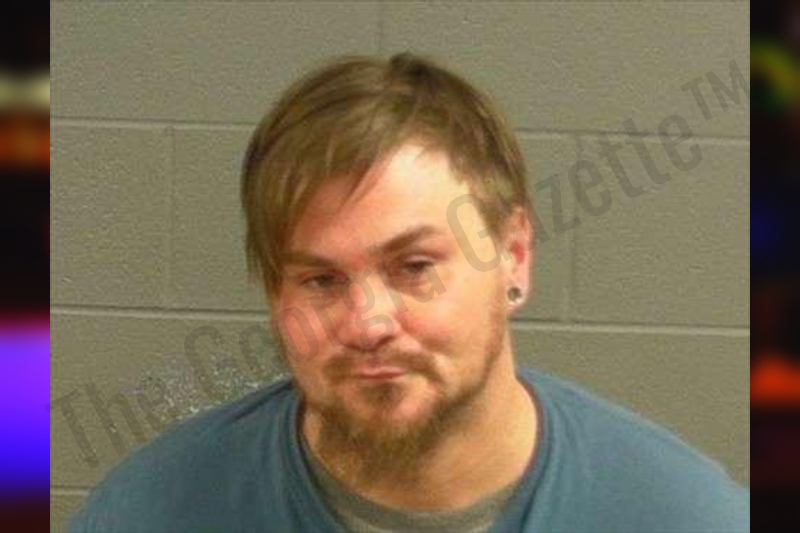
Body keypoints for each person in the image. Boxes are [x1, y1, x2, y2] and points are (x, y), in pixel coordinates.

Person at [70, 52, 749, 533]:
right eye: (320, 280)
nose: (367, 323)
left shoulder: (682, 515)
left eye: (415, 266)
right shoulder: (150, 514)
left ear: (514, 255)